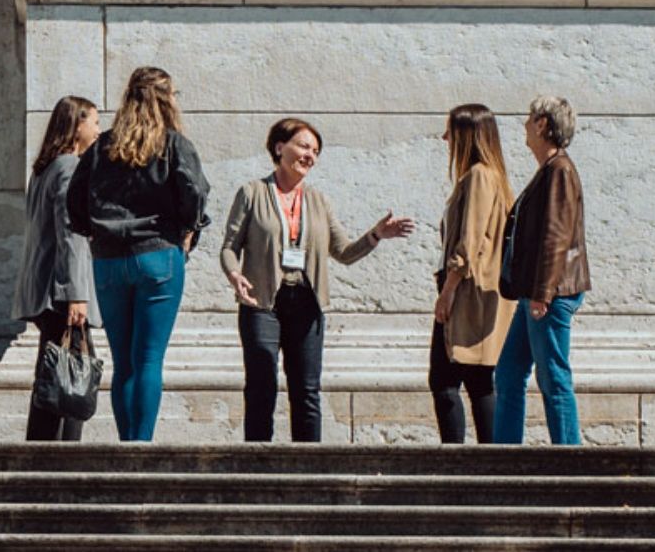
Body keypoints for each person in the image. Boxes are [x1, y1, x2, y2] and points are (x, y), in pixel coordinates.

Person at [220, 118, 414, 442]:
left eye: (316, 151)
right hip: (261, 301)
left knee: (307, 390)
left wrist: (377, 234)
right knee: (261, 388)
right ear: (280, 147)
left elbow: (344, 252)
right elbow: (229, 246)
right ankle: (256, 469)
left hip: (306, 303)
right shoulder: (252, 193)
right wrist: (234, 274)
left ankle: (310, 471)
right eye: (304, 146)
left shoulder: (319, 201)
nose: (310, 155)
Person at [65, 66, 210, 442]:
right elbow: (193, 191)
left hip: (109, 259)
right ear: (166, 99)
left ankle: (125, 446)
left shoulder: (102, 146)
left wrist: (94, 231)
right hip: (159, 254)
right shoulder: (174, 144)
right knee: (148, 359)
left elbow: (74, 201)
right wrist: (188, 228)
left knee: (123, 362)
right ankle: (140, 447)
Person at [494, 94, 590, 446]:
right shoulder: (549, 171)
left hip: (550, 293)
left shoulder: (560, 171)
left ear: (543, 125)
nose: (524, 123)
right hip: (535, 292)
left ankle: (569, 459)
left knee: (553, 376)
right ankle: (504, 459)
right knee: (508, 374)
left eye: (530, 116)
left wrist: (543, 293)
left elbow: (557, 236)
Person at [13, 95, 101, 442]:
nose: (98, 129)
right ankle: (62, 455)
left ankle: (43, 449)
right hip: (62, 290)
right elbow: (71, 234)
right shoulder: (68, 167)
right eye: (93, 121)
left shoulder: (44, 169)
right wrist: (76, 294)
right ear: (77, 125)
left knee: (53, 373)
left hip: (45, 288)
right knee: (74, 375)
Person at [430, 103, 514, 443]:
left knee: (445, 380)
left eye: (450, 130)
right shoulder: (493, 177)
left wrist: (448, 290)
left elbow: (470, 239)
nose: (445, 137)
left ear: (467, 134)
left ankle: (458, 461)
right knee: (478, 378)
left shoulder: (479, 176)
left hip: (465, 290)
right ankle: (489, 462)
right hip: (476, 291)